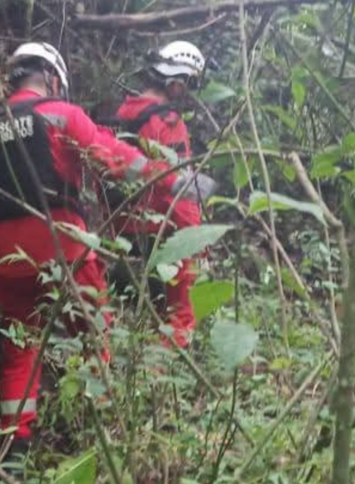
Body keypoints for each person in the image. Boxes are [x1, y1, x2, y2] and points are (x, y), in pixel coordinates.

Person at [0, 42, 207, 445]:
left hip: (8, 261)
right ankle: (103, 433)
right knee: (94, 337)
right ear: (53, 79)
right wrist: (174, 177)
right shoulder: (62, 114)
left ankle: (13, 443)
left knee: (21, 350)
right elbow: (115, 158)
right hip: (65, 249)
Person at [108, 40, 213, 347]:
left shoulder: (124, 113)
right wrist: (196, 240)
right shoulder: (167, 121)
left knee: (137, 313)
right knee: (180, 313)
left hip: (124, 227)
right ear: (177, 84)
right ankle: (164, 376)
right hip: (165, 230)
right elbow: (179, 189)